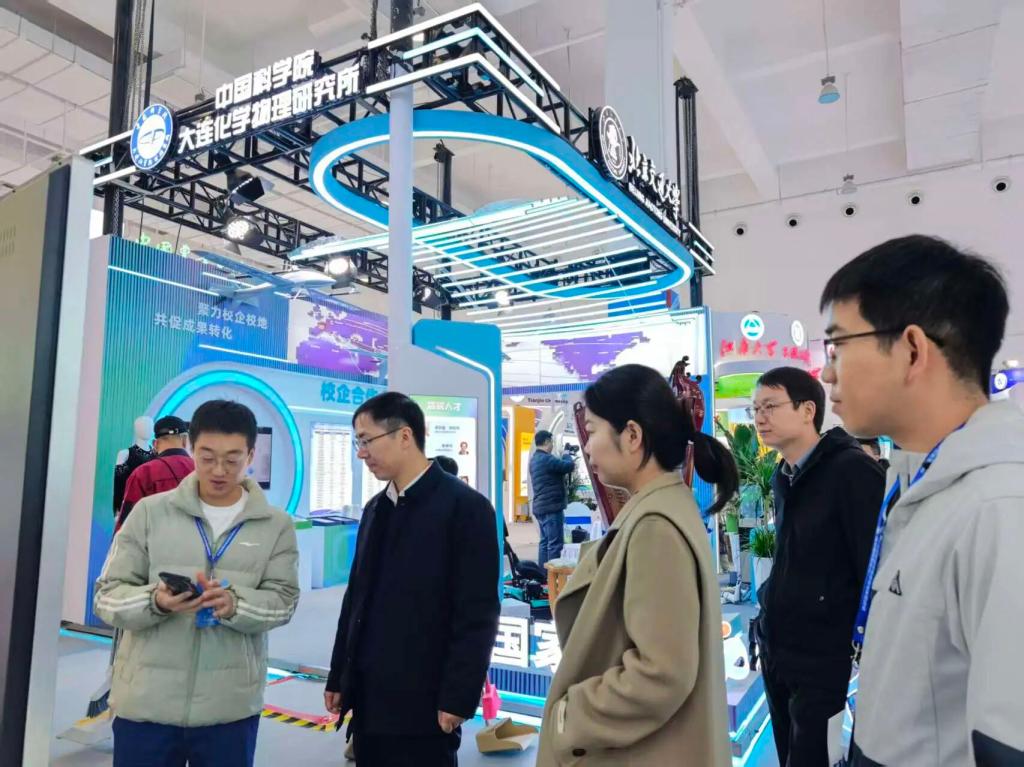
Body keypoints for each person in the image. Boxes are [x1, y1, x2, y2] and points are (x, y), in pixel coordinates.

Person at [820, 235, 1024, 765]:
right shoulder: (915, 481)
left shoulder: (999, 509)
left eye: (838, 346)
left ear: (912, 350)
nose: (826, 373)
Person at [536, 364, 739, 766]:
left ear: (631, 435)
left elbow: (661, 673)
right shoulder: (663, 506)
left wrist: (569, 718)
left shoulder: (654, 526)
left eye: (592, 431)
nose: (587, 448)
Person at [94, 400, 300, 767]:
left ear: (251, 455)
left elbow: (283, 602)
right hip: (146, 705)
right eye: (207, 457)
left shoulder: (276, 525)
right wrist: (156, 601)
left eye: (232, 460)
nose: (219, 470)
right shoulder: (149, 513)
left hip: (228, 708)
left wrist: (235, 604)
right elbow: (106, 597)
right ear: (191, 448)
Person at [325, 392, 500, 767]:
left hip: (426, 702)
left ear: (405, 436)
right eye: (358, 442)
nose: (361, 453)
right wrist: (339, 676)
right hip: (369, 699)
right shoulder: (375, 509)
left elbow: (478, 613)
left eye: (367, 440)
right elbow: (355, 599)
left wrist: (459, 695)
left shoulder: (466, 508)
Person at [749, 367, 884, 767]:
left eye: (770, 406)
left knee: (815, 759)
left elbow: (873, 564)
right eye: (756, 409)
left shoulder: (852, 470)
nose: (759, 418)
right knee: (787, 753)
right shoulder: (784, 476)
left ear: (808, 410)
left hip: (822, 656)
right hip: (777, 646)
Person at [116, 415, 195, 531]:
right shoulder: (202, 471)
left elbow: (126, 524)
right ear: (184, 440)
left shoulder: (143, 473)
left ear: (155, 444)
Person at [529, 430, 575, 565]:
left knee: (544, 543)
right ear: (546, 442)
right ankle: (553, 574)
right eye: (552, 442)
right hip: (551, 507)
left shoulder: (534, 460)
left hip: (540, 507)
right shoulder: (546, 459)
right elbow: (568, 466)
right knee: (555, 544)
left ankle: (543, 574)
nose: (553, 445)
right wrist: (566, 454)